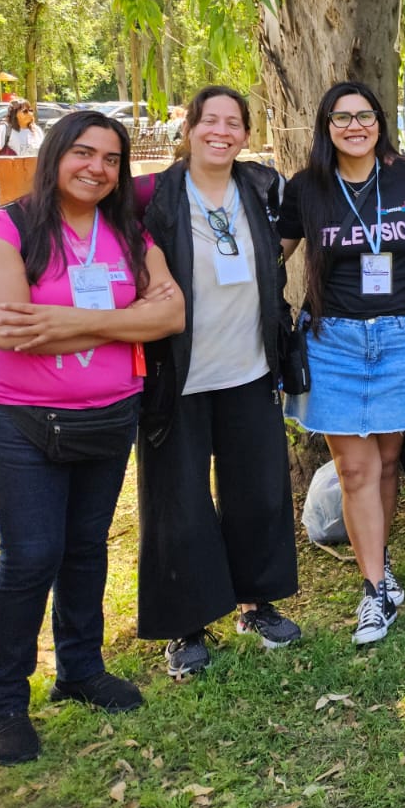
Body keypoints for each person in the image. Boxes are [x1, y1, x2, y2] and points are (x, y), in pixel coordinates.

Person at [0, 110, 185, 764]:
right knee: (31, 557)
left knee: (86, 549)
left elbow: (170, 313)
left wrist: (60, 317)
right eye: (84, 154)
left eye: (112, 159)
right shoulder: (4, 230)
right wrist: (123, 319)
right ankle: (3, 702)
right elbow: (7, 331)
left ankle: (80, 670)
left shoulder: (126, 232)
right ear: (56, 154)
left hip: (111, 414)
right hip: (23, 421)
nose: (97, 168)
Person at [279, 80, 405, 645]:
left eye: (365, 116)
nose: (354, 126)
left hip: (404, 340)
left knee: (386, 464)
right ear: (325, 126)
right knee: (355, 469)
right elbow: (273, 253)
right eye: (342, 118)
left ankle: (380, 568)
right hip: (332, 343)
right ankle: (374, 590)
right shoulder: (306, 188)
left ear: (380, 122)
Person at [135, 86, 301, 678]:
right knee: (177, 499)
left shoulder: (260, 188)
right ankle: (185, 625)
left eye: (234, 123)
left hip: (250, 367)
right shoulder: (151, 193)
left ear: (247, 134)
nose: (221, 132)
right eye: (211, 121)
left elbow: (289, 240)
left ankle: (256, 603)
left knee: (258, 491)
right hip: (176, 374)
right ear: (190, 128)